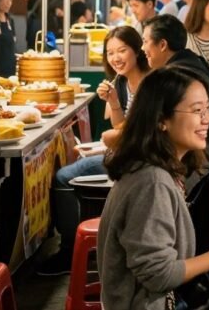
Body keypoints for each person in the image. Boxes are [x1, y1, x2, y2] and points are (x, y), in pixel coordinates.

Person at [98, 67, 209, 310]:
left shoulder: (160, 169)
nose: (208, 119)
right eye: (197, 110)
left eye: (208, 109)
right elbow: (159, 274)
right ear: (161, 120)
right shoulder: (152, 181)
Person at [43, 26, 150, 275]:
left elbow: (131, 131)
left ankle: (70, 250)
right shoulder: (122, 82)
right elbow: (120, 125)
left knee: (63, 177)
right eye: (110, 52)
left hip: (139, 159)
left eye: (122, 50)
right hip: (124, 152)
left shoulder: (151, 82)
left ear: (137, 50)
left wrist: (110, 138)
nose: (116, 58)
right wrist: (113, 101)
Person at [143, 15, 209, 163]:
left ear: (162, 45)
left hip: (201, 162)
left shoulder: (177, 76)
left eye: (145, 41)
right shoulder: (196, 62)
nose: (143, 48)